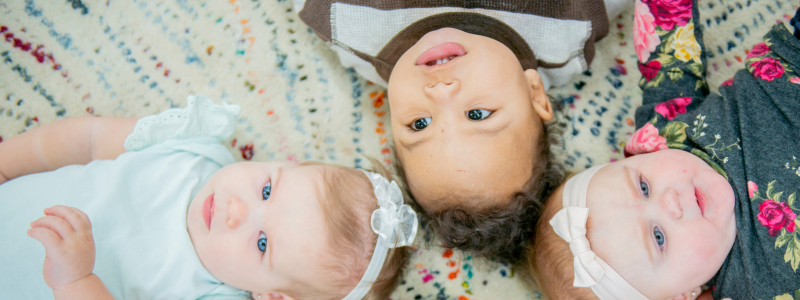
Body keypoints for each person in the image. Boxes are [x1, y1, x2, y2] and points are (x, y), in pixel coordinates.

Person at [293, 0, 630, 262]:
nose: (440, 92)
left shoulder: (348, 23)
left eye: (420, 124)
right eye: (477, 114)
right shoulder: (568, 33)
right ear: (535, 94)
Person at [0, 95, 418, 300]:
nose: (236, 210)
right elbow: (86, 139)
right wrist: (7, 163)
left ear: (270, 296)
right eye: (267, 190)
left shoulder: (209, 294)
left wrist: (77, 280)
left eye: (261, 243)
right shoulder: (195, 149)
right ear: (285, 163)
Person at [528, 0, 800, 298]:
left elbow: (668, 50)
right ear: (683, 295)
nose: (670, 200)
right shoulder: (745, 289)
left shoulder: (665, 136)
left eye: (643, 186)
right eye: (658, 238)